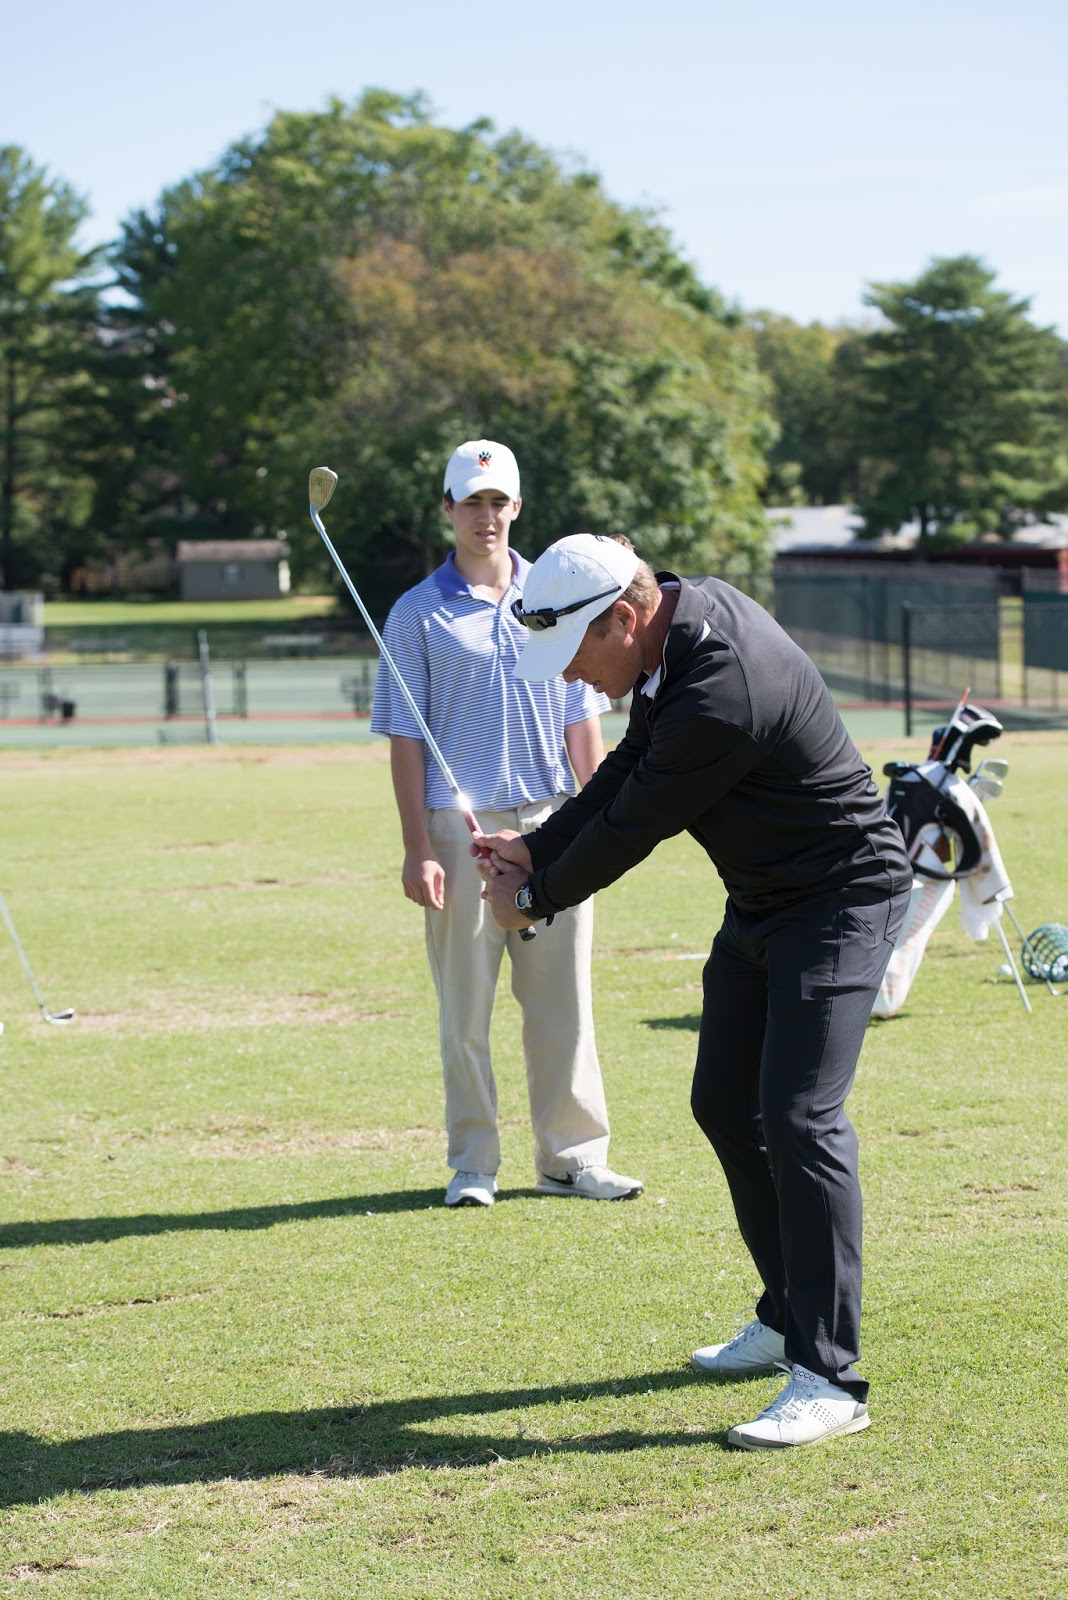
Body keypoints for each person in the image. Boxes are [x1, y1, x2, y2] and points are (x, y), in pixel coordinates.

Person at [476, 533, 912, 1449]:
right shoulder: (680, 626)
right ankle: (789, 1314)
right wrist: (535, 850)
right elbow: (629, 770)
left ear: (626, 619)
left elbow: (636, 823)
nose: (574, 682)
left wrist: (533, 898)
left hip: (840, 899)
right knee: (722, 1101)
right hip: (765, 901)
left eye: (578, 658)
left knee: (800, 1119)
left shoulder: (723, 689)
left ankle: (830, 1376)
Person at [370, 444, 643, 1210]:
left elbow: (581, 718)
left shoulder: (554, 593)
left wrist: (597, 825)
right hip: (461, 830)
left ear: (516, 509)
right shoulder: (415, 613)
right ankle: (474, 1164)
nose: (485, 517)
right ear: (447, 510)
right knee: (466, 1008)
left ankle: (572, 1157)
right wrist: (416, 847)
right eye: (471, 503)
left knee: (564, 1003)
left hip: (553, 822)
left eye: (499, 503)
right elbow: (404, 737)